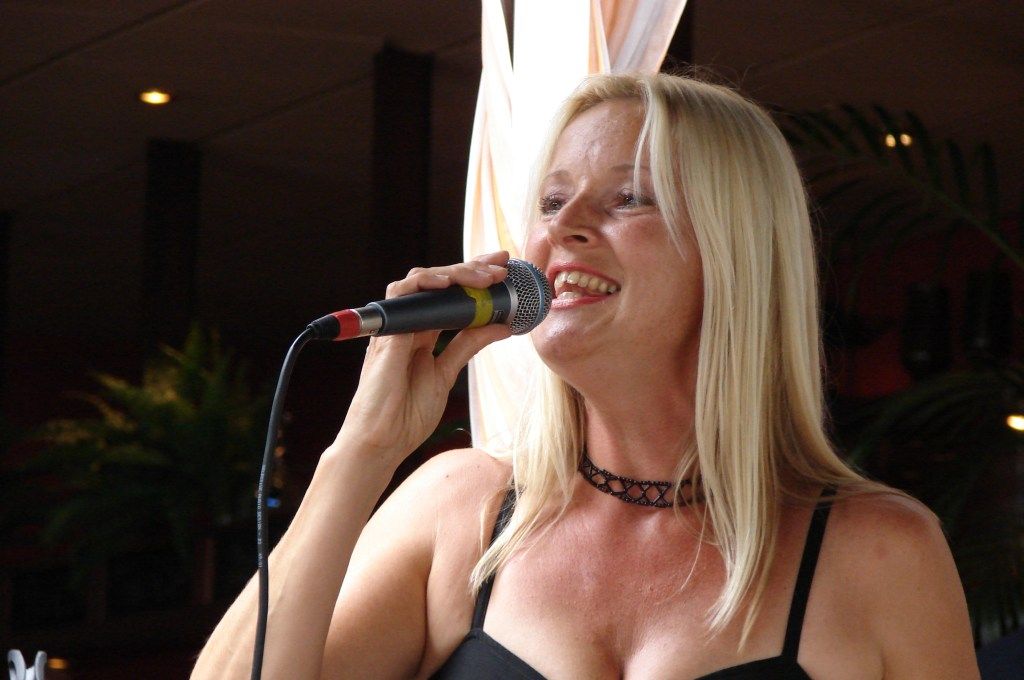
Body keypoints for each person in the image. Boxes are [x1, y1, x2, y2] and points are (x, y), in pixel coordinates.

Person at [192, 73, 979, 679]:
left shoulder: (878, 552)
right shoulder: (461, 510)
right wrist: (363, 451)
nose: (564, 227)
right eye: (552, 199)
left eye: (627, 198)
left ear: (735, 254)